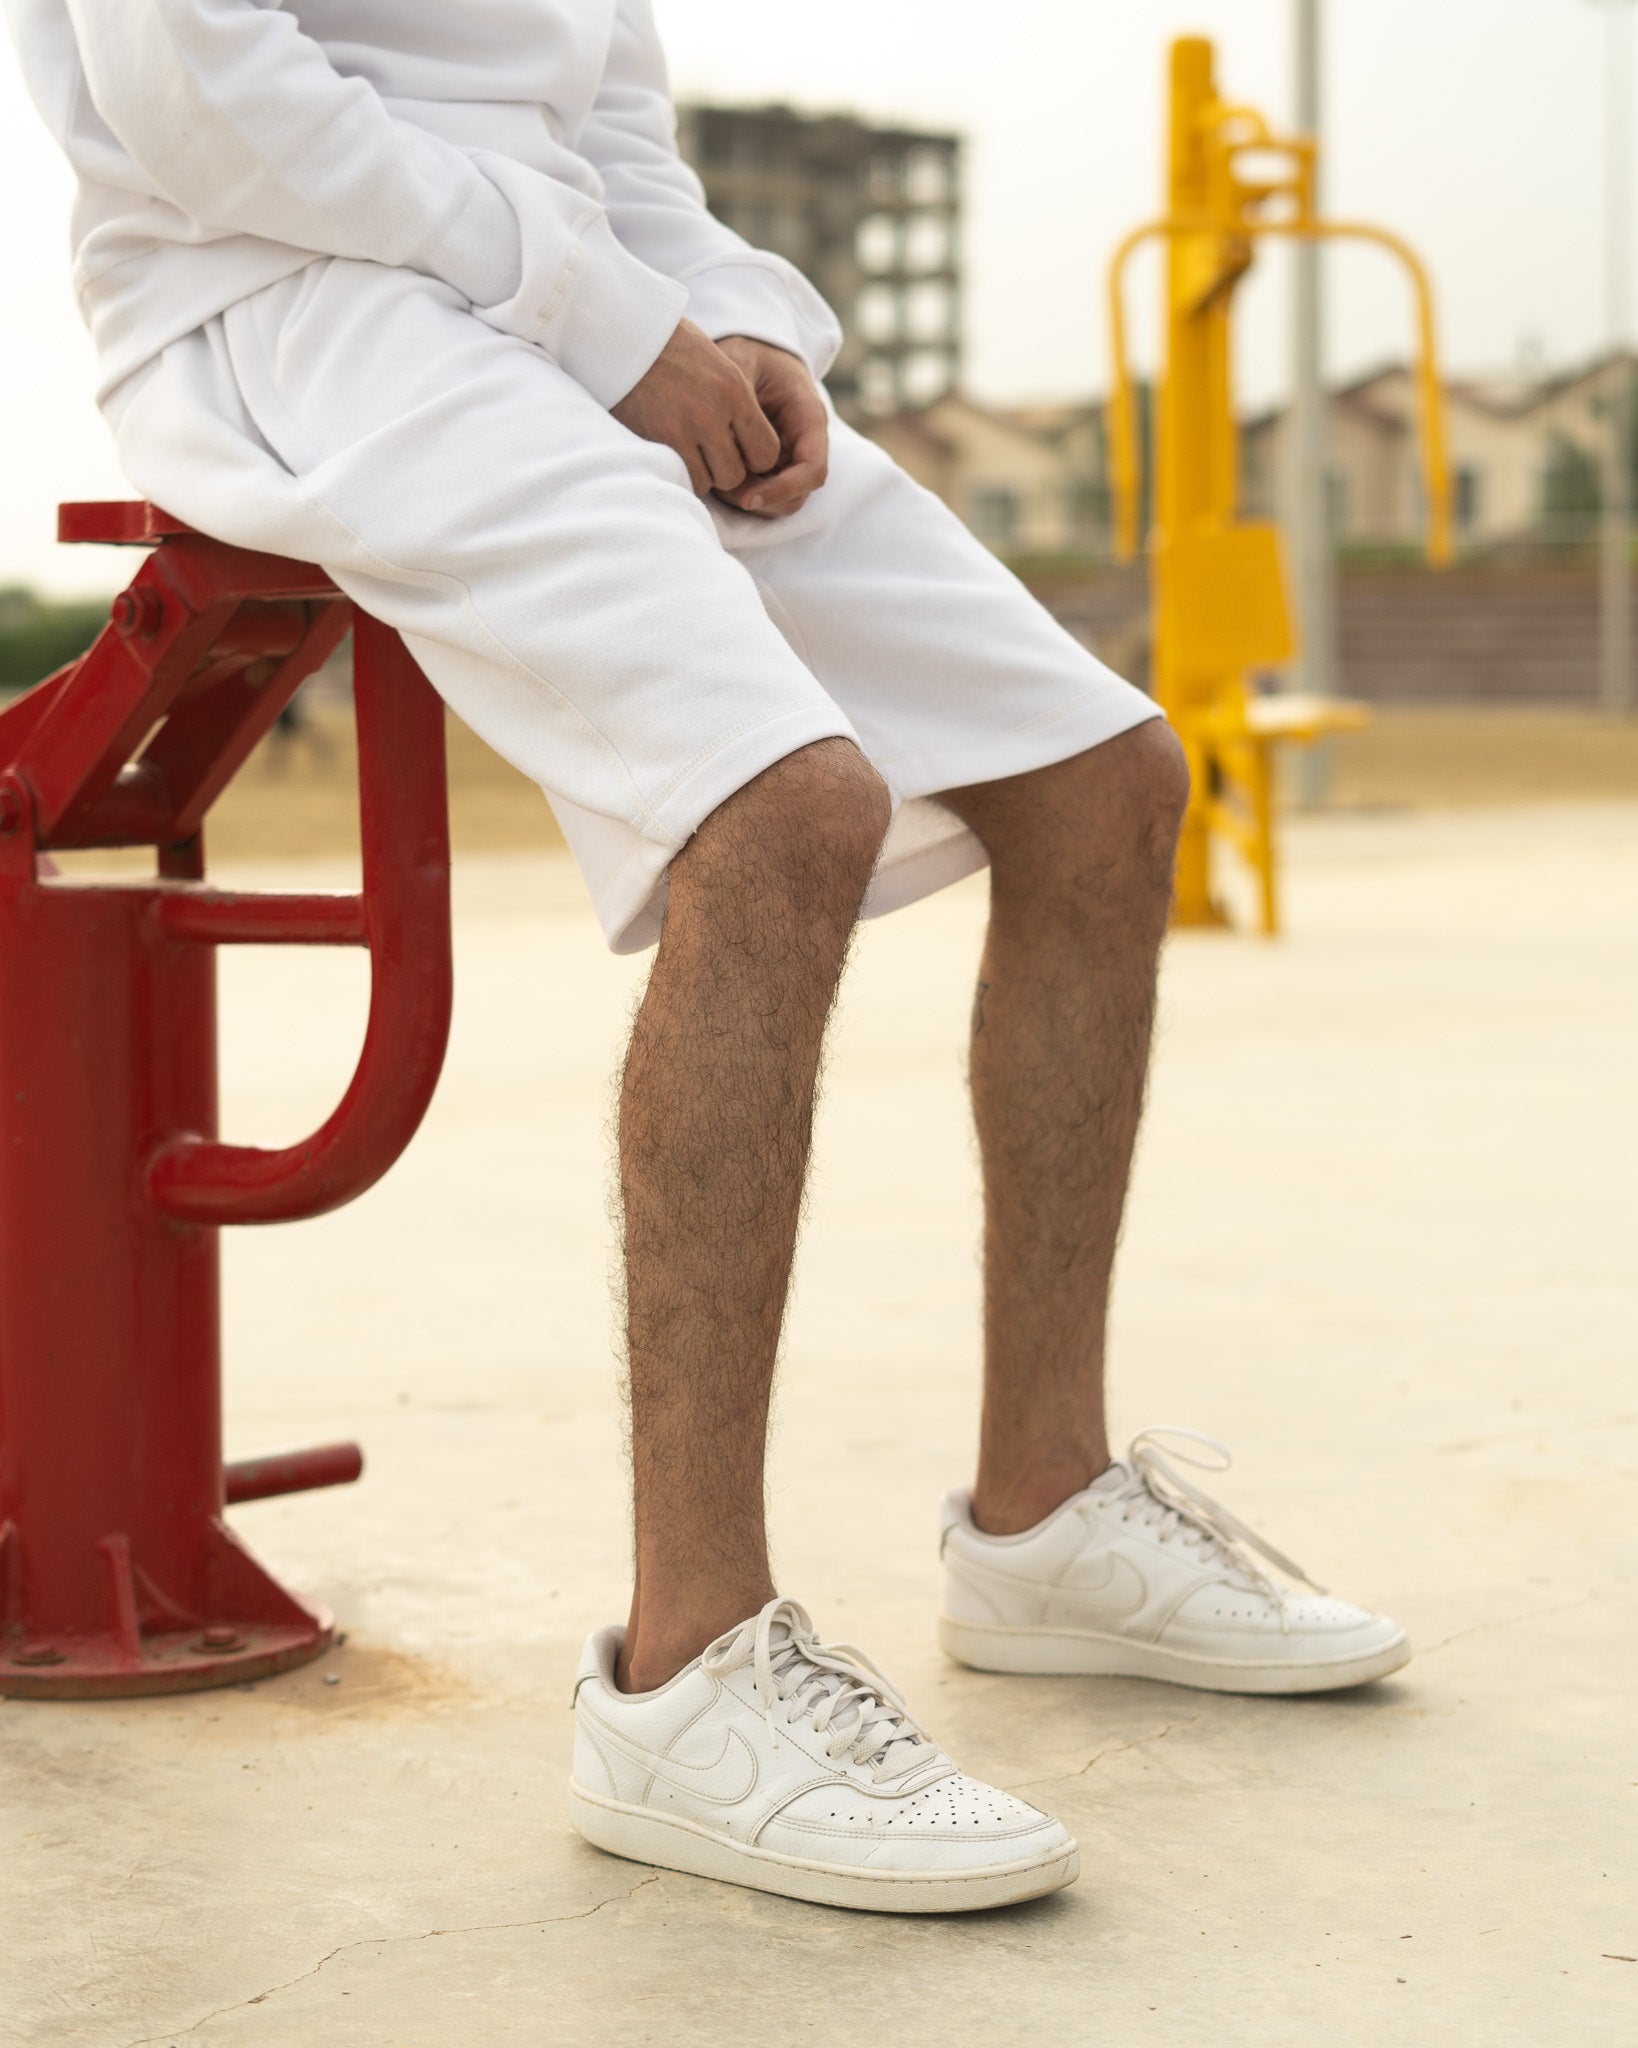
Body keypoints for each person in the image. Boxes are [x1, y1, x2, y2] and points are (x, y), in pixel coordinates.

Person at [6, 0, 1410, 1914]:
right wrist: (612, 327)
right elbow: (203, 101)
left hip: (568, 308)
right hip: (288, 304)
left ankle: (1047, 1513)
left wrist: (743, 327)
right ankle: (689, 1671)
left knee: (1104, 781)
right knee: (785, 809)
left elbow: (613, 130)